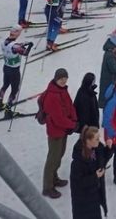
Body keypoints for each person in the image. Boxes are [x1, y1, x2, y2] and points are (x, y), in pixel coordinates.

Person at [41, 68, 78, 199]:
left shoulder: (62, 90)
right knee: (53, 158)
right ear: (56, 79)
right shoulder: (52, 95)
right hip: (55, 131)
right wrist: (72, 125)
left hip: (63, 130)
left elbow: (70, 105)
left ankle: (54, 178)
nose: (63, 81)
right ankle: (47, 187)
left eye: (65, 78)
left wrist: (74, 119)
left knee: (59, 155)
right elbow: (58, 118)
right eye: (61, 78)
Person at [70, 125, 114, 219]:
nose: (99, 140)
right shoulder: (77, 162)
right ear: (88, 141)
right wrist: (95, 176)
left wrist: (109, 148)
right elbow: (78, 183)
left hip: (94, 196)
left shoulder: (96, 148)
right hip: (83, 201)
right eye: (97, 138)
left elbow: (103, 159)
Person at [0, 26, 33, 117]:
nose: (20, 33)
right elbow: (25, 53)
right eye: (19, 32)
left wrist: (24, 43)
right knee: (14, 90)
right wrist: (30, 46)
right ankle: (8, 111)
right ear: (16, 33)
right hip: (14, 71)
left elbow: (14, 46)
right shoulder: (15, 46)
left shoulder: (4, 42)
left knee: (5, 85)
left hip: (6, 67)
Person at [98, 34, 116, 109]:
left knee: (107, 95)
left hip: (107, 78)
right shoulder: (110, 55)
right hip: (108, 80)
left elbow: (113, 64)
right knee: (107, 96)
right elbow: (113, 69)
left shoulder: (109, 52)